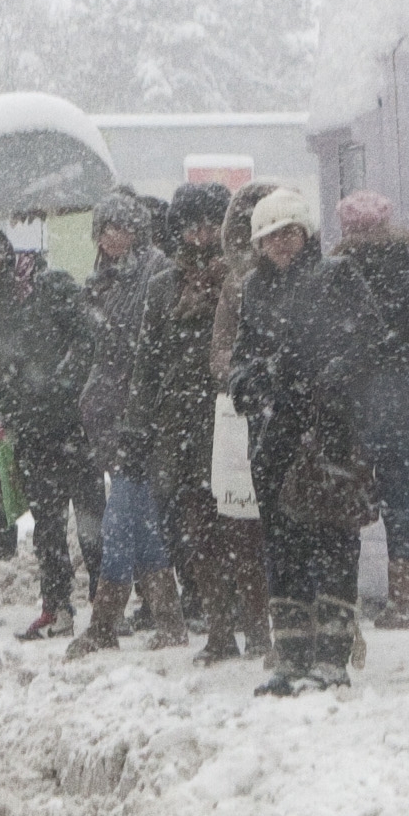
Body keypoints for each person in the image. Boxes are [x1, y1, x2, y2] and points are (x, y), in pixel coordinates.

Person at [231, 184, 371, 693]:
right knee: (283, 549)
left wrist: (335, 373)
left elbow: (368, 339)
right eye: (269, 236)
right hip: (273, 440)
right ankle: (290, 657)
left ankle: (332, 659)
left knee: (334, 541)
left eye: (288, 232)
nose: (280, 244)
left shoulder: (337, 276)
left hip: (330, 433)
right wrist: (248, 382)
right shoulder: (254, 290)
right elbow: (240, 359)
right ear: (258, 243)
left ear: (305, 233)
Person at [135, 180, 263, 661]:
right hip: (181, 424)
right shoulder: (164, 286)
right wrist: (138, 421)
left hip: (232, 419)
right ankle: (219, 632)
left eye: (211, 224)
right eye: (191, 226)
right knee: (198, 535)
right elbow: (147, 362)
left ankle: (258, 629)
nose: (201, 235)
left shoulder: (245, 277)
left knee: (243, 528)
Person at [0, 222, 102, 640]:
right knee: (48, 525)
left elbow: (88, 340)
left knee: (93, 518)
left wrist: (63, 383)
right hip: (32, 433)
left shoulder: (49, 286)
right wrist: (0, 414)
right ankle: (56, 607)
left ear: (6, 252)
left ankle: (106, 604)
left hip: (75, 424)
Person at [328, 191, 409, 630]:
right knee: (384, 501)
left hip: (372, 404)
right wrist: (400, 351)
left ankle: (368, 599)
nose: (363, 236)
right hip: (387, 402)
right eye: (358, 228)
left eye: (367, 227)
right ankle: (399, 599)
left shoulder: (341, 275)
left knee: (361, 502)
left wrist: (373, 355)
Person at [68, 193, 179, 651]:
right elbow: (93, 350)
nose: (112, 237)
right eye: (104, 228)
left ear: (139, 229)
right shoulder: (99, 282)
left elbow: (149, 347)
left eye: (121, 227)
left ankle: (104, 623)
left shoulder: (157, 272)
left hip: (148, 412)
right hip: (111, 416)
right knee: (140, 516)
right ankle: (165, 617)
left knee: (123, 515)